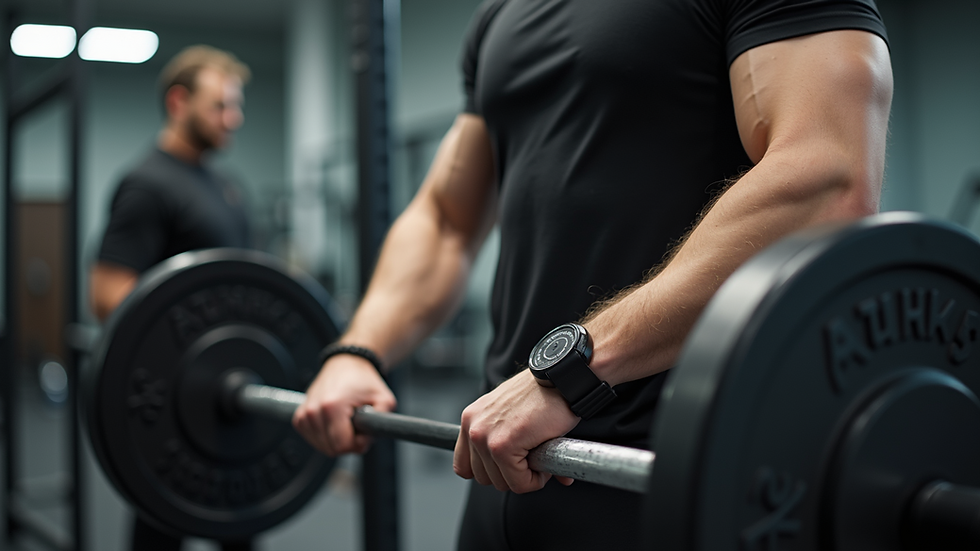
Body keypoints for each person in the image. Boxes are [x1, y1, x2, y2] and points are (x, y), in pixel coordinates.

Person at [293, 0, 893, 549]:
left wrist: (572, 374)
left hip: (682, 470)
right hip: (502, 456)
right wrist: (360, 351)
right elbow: (447, 220)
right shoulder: (500, 15)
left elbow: (826, 173)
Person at [90, 45, 253, 551]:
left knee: (241, 522)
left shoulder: (225, 185)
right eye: (220, 106)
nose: (233, 118)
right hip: (172, 399)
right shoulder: (146, 184)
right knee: (161, 530)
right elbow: (107, 294)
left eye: (236, 105)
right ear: (179, 102)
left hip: (230, 384)